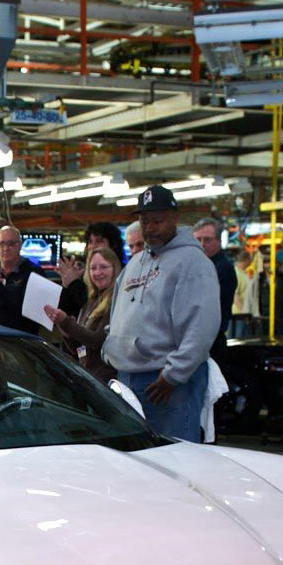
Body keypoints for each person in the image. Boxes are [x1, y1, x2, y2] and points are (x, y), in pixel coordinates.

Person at [103, 186, 221, 441]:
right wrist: (110, 347)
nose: (150, 228)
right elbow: (117, 314)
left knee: (173, 459)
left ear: (174, 218)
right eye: (145, 221)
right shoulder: (135, 263)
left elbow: (201, 327)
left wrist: (173, 374)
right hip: (128, 378)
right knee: (138, 462)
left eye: (158, 221)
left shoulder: (193, 263)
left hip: (166, 383)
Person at [44, 246, 121, 383]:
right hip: (89, 377)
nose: (98, 272)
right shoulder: (91, 301)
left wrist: (67, 323)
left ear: (114, 269)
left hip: (106, 380)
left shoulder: (116, 300)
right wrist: (66, 332)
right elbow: (79, 349)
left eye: (103, 267)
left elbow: (97, 342)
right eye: (93, 268)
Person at [194, 217, 238, 364]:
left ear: (218, 241)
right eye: (198, 239)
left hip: (212, 343)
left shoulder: (222, 268)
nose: (202, 245)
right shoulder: (199, 265)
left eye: (207, 240)